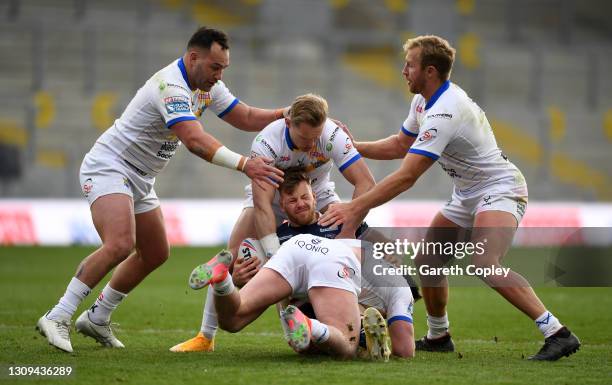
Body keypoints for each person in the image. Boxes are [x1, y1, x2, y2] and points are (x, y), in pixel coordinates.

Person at [320, 35, 580, 361]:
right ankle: (439, 335)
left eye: (409, 65)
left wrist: (355, 207)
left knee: (485, 263)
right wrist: (351, 146)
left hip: (500, 189)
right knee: (428, 261)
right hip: (469, 194)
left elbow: (407, 176)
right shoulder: (423, 101)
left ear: (429, 71)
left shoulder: (446, 111)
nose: (403, 71)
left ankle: (557, 332)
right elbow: (400, 144)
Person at [36, 26, 286, 353]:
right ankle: (58, 315)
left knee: (156, 252)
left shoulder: (208, 86)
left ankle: (97, 317)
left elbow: (247, 116)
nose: (219, 74)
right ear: (193, 57)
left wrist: (286, 113)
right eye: (215, 67)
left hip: (140, 176)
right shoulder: (171, 85)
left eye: (224, 67)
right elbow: (195, 141)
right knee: (120, 243)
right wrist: (245, 164)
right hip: (110, 166)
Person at [170, 93, 376, 352]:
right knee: (232, 257)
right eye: (305, 139)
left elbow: (366, 183)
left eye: (316, 138)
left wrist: (346, 229)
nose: (312, 145)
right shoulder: (267, 142)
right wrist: (274, 258)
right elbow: (263, 205)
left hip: (316, 193)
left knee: (351, 255)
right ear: (288, 123)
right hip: (272, 197)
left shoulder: (333, 135)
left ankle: (358, 322)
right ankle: (205, 337)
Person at [189, 234, 363, 360]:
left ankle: (222, 279)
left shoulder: (372, 250)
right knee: (347, 344)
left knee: (231, 321)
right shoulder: (383, 268)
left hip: (296, 245)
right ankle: (311, 325)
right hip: (331, 259)